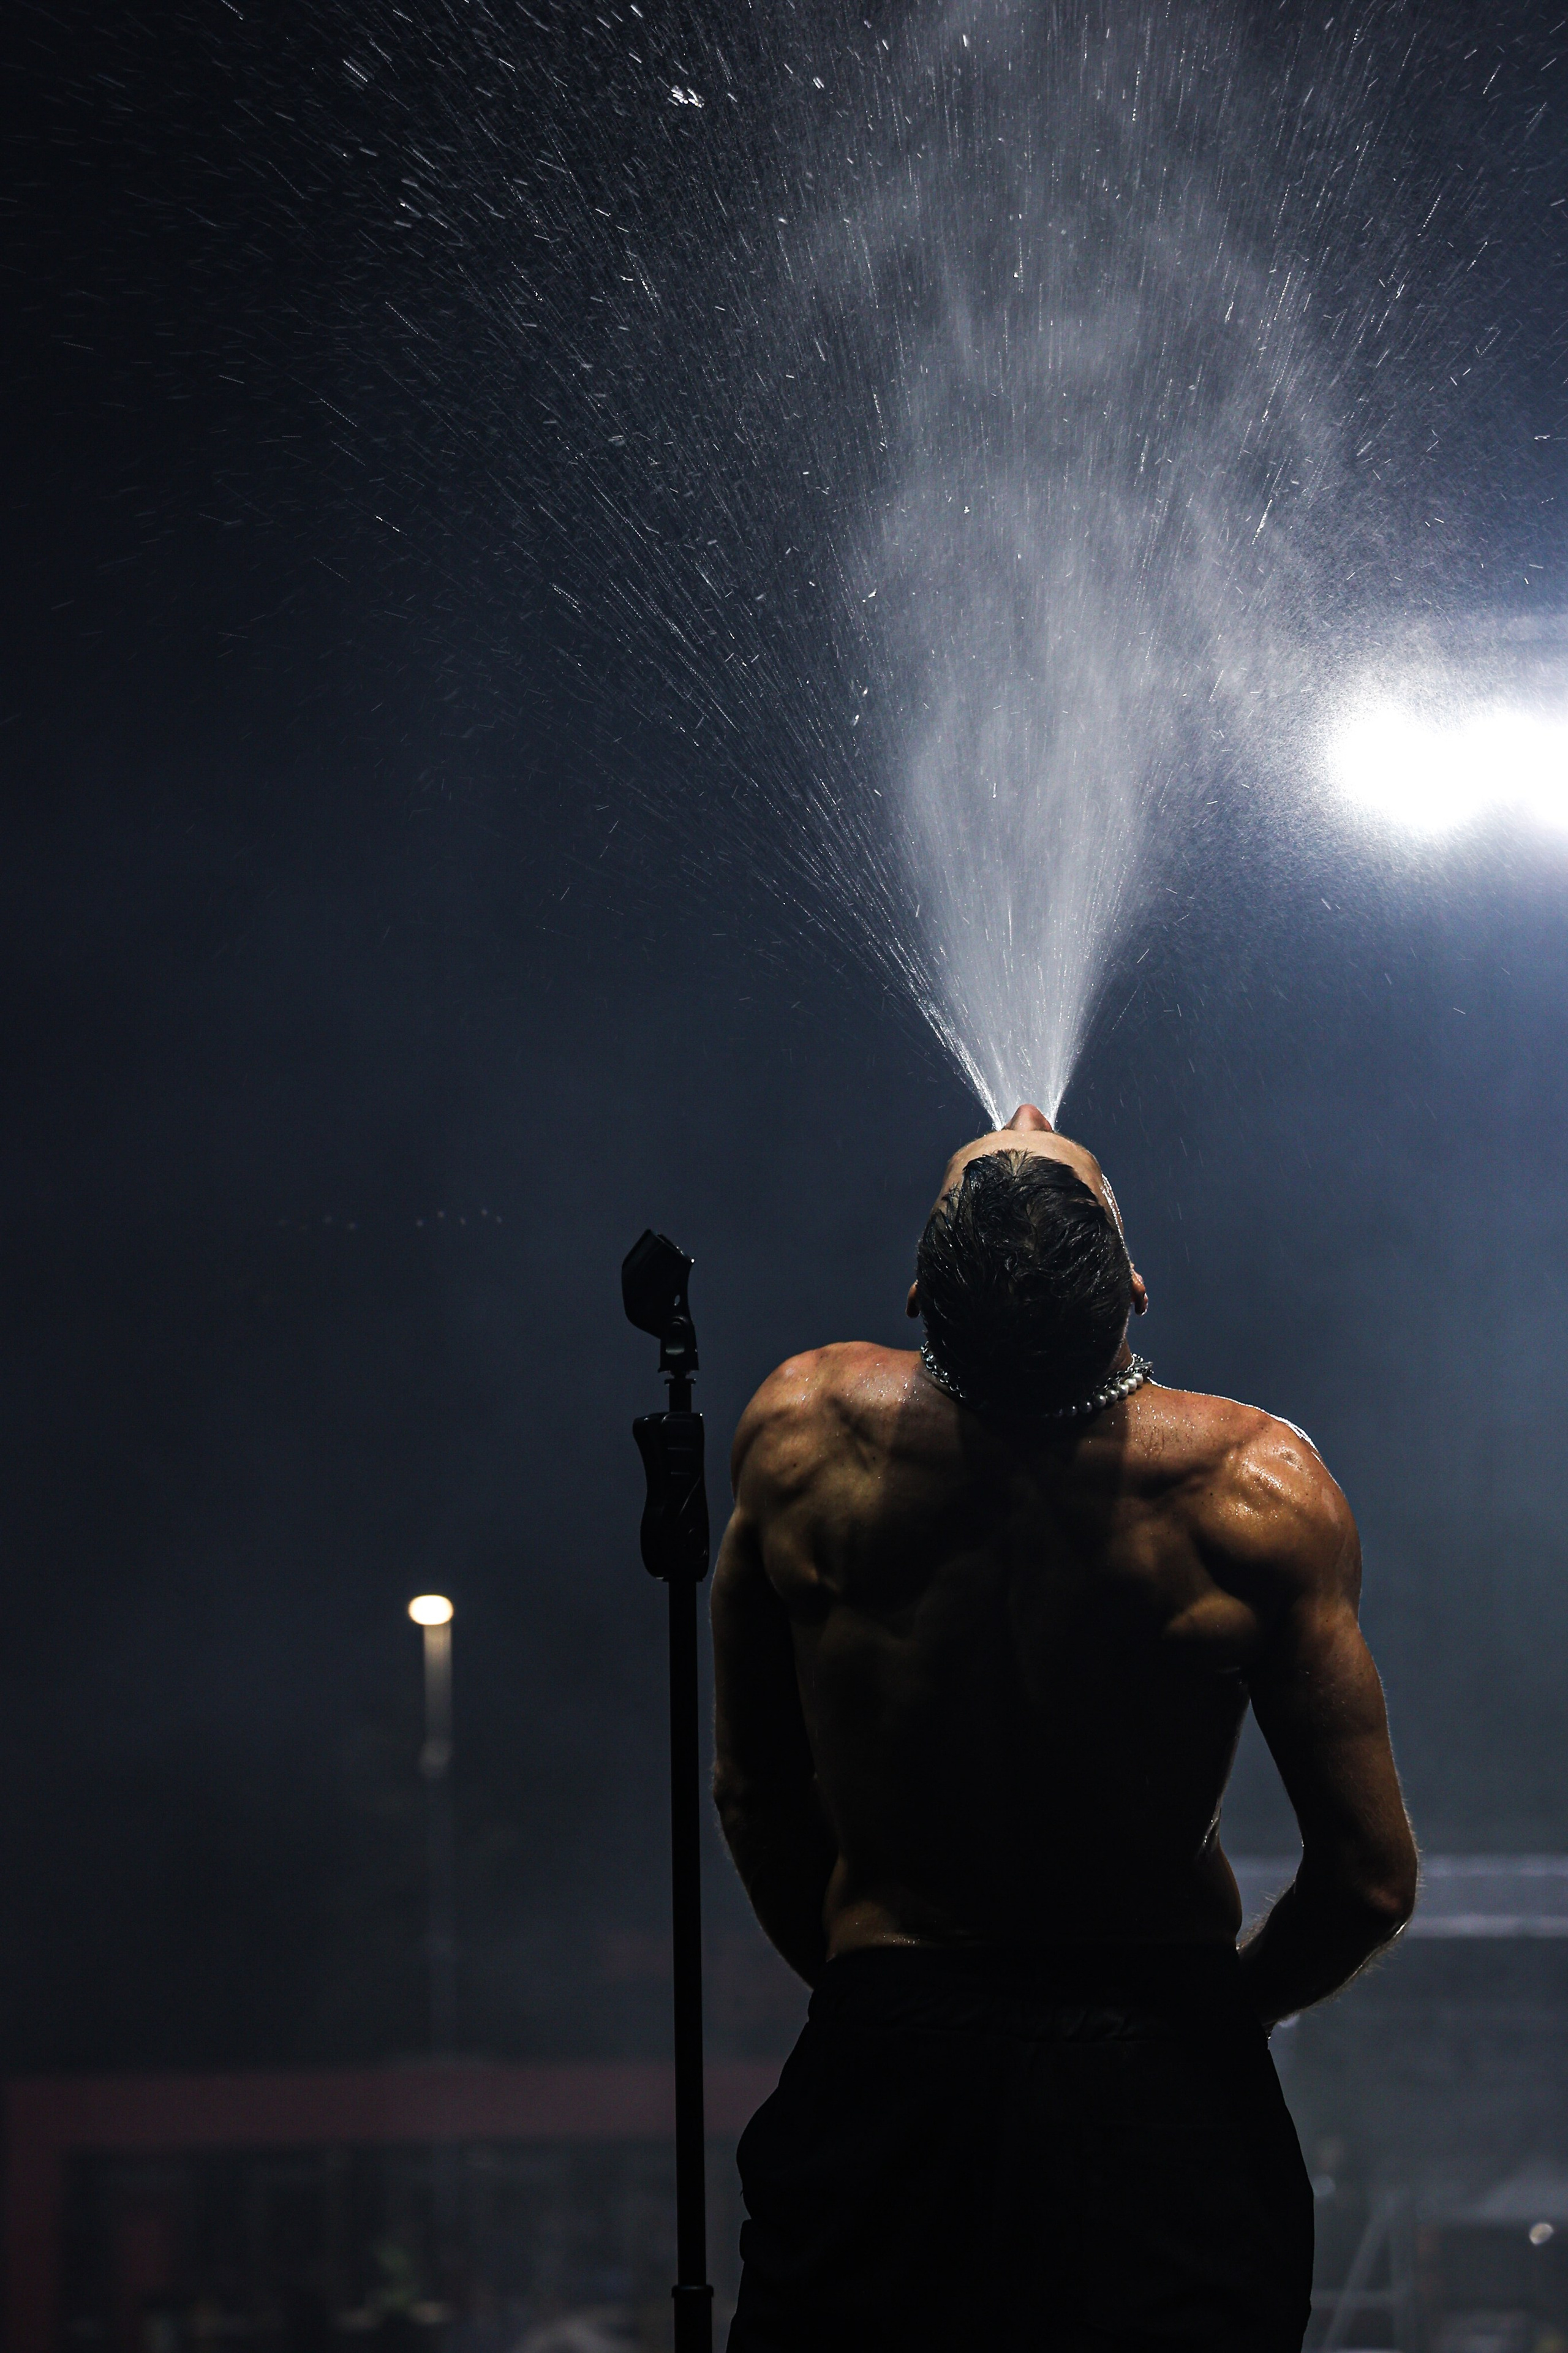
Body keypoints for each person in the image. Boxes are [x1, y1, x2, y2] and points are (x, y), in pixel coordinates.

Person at [710, 1105, 1418, 2352]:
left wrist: (874, 1989)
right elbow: (1366, 1881)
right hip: (1158, 2081)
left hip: (891, 2062)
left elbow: (753, 1789)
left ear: (921, 1293)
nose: (1028, 1113)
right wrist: (1214, 2016)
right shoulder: (1256, 1493)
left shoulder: (798, 1437)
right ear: (1134, 1292)